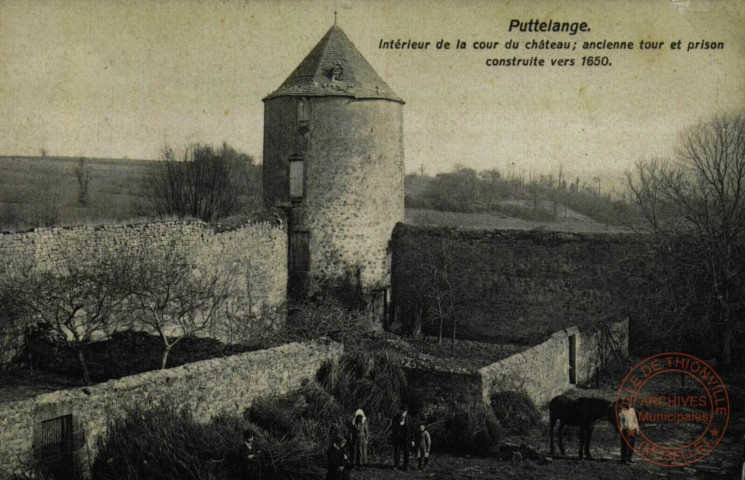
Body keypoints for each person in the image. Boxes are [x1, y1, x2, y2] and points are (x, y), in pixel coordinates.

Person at [390, 404, 413, 470]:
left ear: (407, 412)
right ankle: (396, 465)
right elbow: (393, 428)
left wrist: (412, 439)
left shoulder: (409, 418)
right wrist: (399, 424)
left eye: (405, 411)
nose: (404, 412)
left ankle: (406, 466)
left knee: (406, 452)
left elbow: (411, 429)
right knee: (397, 452)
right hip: (397, 438)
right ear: (400, 411)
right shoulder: (395, 418)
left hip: (406, 438)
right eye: (403, 411)